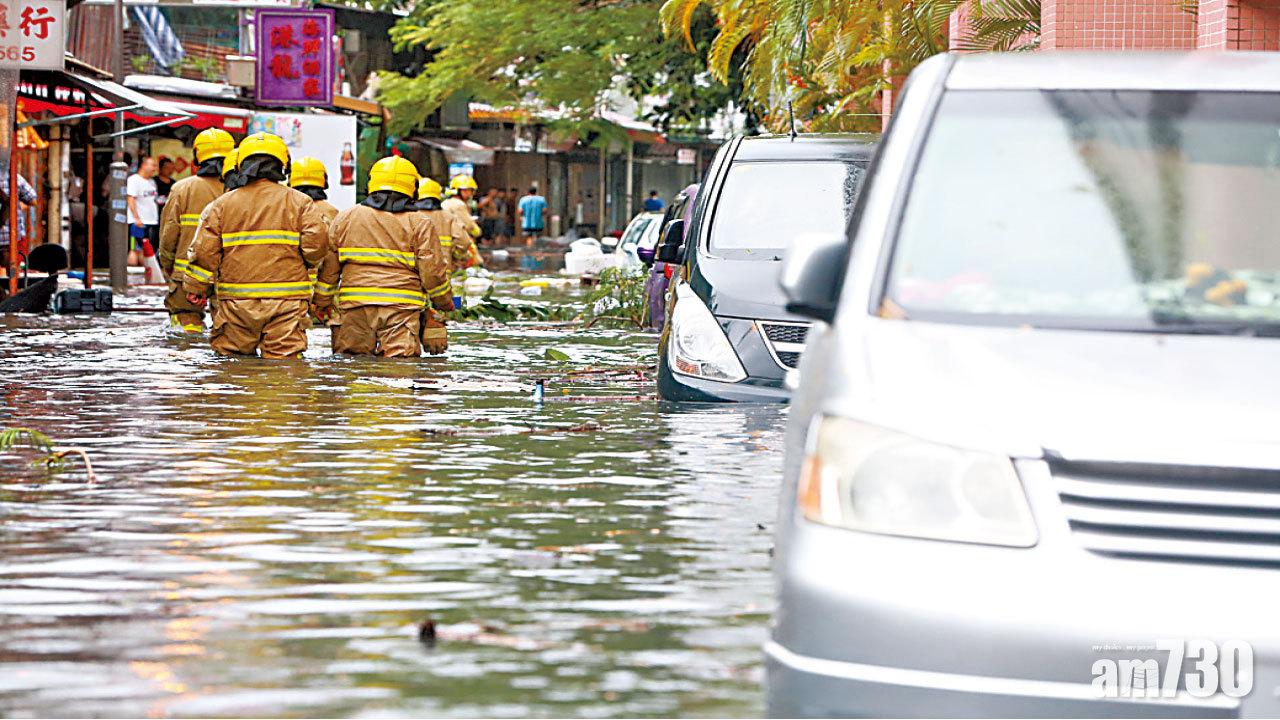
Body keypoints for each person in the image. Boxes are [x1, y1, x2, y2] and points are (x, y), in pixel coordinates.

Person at [182, 132, 329, 359]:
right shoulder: (300, 202)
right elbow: (316, 248)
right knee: (284, 371)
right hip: (286, 303)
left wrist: (196, 288)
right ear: (282, 165)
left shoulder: (221, 205)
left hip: (236, 303)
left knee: (231, 367)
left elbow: (204, 252)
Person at [313, 157, 454, 357]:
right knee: (398, 375)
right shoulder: (420, 224)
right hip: (401, 312)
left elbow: (329, 271)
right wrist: (444, 307)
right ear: (412, 187)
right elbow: (433, 275)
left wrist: (321, 302)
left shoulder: (346, 217)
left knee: (351, 369)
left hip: (354, 308)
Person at [158, 128, 234, 332]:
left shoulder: (182, 188)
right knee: (229, 332)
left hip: (186, 274)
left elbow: (169, 234)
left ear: (197, 156)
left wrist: (168, 265)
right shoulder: (238, 191)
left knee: (186, 331)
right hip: (230, 277)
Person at [289, 156, 342, 337]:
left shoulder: (286, 208)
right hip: (324, 290)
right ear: (323, 181)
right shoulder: (333, 212)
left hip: (291, 289)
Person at [416, 177, 475, 272]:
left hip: (415, 275)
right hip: (443, 272)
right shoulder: (449, 217)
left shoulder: (409, 216)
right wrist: (455, 256)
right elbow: (464, 241)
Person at [126, 157, 160, 265]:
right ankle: (133, 272)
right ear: (144, 165)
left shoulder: (152, 182)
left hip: (151, 221)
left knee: (147, 248)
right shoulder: (133, 180)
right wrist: (136, 218)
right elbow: (131, 199)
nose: (154, 168)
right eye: (153, 165)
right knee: (136, 248)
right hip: (139, 221)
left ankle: (144, 270)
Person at [443, 175, 482, 241]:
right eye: (469, 190)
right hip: (454, 242)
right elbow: (469, 225)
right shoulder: (459, 204)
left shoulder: (446, 202)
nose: (470, 194)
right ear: (461, 191)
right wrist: (477, 231)